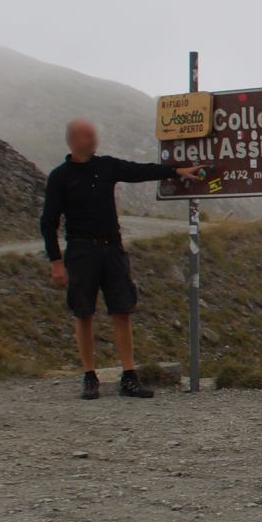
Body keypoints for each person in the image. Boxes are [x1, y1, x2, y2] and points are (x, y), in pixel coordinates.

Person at [39, 118, 206, 399]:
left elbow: (139, 171)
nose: (94, 140)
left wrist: (178, 171)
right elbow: (48, 222)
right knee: (83, 312)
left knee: (122, 309)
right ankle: (89, 376)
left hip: (112, 248)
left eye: (94, 135)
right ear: (73, 140)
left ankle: (129, 376)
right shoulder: (60, 177)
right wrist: (56, 261)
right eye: (88, 136)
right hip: (80, 251)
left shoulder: (106, 166)